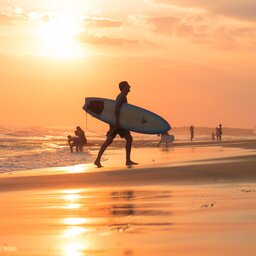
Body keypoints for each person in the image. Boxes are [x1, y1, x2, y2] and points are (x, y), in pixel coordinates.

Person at [94, 81, 138, 167]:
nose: (129, 87)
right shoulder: (121, 97)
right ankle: (127, 160)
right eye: (128, 86)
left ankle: (97, 160)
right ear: (123, 87)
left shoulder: (122, 96)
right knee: (126, 139)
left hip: (117, 123)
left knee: (111, 140)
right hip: (118, 123)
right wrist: (117, 121)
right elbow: (117, 108)